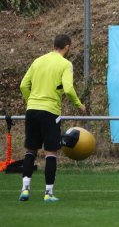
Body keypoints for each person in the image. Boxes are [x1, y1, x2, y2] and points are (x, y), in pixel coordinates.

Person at [19, 34, 86, 202]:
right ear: (67, 47)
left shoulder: (38, 61)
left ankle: (25, 190)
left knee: (30, 150)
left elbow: (23, 85)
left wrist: (32, 100)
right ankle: (48, 193)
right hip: (50, 111)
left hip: (32, 109)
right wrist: (79, 105)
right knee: (51, 152)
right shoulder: (65, 64)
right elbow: (69, 90)